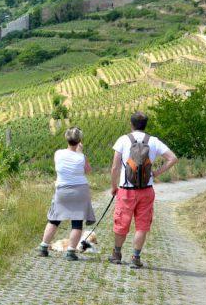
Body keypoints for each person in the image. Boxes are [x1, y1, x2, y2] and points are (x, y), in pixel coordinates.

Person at [109, 111, 178, 269]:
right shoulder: (153, 141)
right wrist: (156, 173)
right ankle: (136, 257)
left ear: (131, 124)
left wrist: (114, 187)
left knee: (121, 222)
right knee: (142, 225)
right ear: (145, 125)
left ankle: (117, 255)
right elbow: (173, 158)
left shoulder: (123, 140)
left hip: (126, 189)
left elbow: (115, 167)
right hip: (146, 190)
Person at [38, 127, 96, 261]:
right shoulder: (81, 157)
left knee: (54, 220)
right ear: (79, 140)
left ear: (66, 138)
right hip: (80, 191)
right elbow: (88, 171)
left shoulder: (58, 153)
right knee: (77, 222)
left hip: (62, 190)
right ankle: (70, 252)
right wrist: (80, 153)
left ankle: (43, 247)